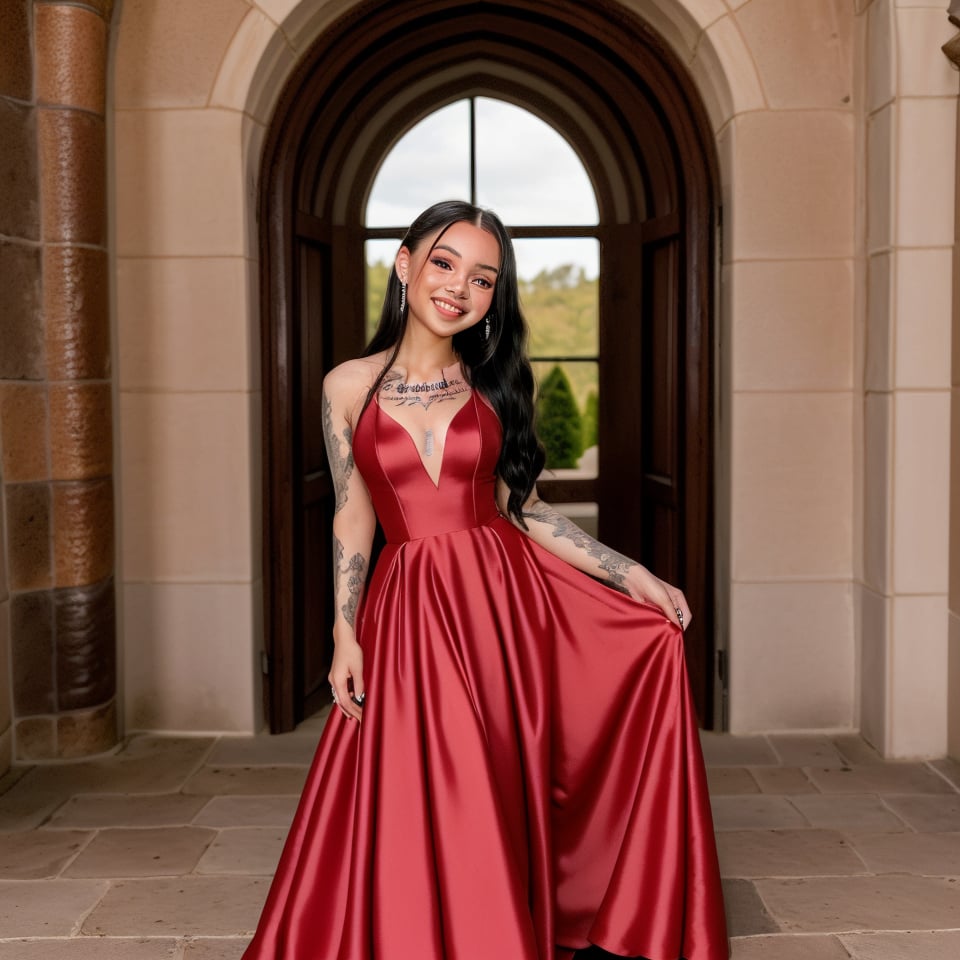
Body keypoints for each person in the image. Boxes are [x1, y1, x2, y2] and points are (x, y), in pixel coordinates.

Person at [243, 201, 728, 960]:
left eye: (483, 278)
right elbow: (352, 515)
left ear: (493, 297)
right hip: (407, 609)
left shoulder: (497, 383)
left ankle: (502, 926)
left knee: (496, 775)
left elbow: (525, 511)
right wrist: (344, 631)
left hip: (500, 605)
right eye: (444, 262)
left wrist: (632, 574)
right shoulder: (348, 386)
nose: (460, 287)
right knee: (413, 781)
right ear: (404, 265)